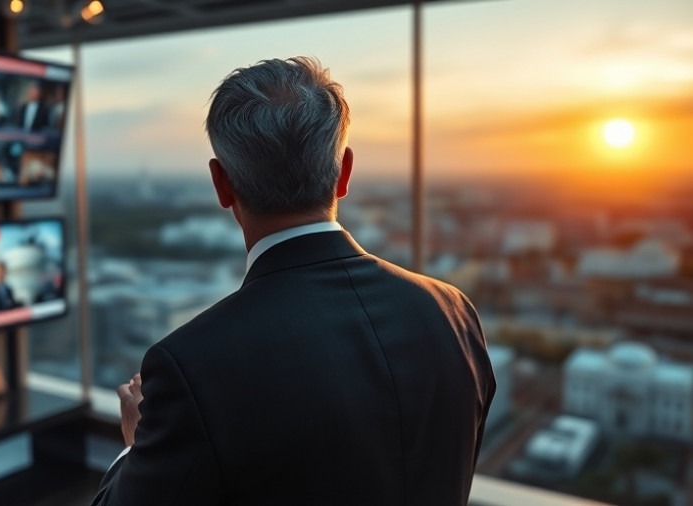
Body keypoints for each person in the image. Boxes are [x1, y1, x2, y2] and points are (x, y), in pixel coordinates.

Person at [91, 57, 496, 506]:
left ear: (222, 185)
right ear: (343, 174)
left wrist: (136, 444)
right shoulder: (453, 312)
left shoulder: (193, 365)